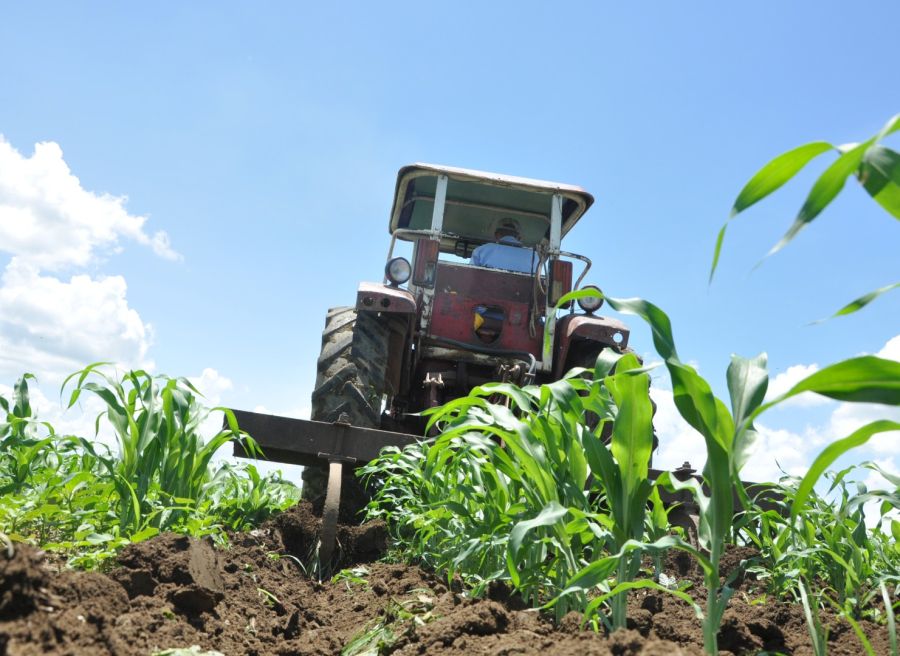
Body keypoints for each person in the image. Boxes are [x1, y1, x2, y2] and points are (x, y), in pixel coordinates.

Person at [470, 218, 537, 273]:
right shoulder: (533, 255)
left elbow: (470, 274)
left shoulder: (481, 250)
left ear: (496, 235)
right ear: (519, 237)